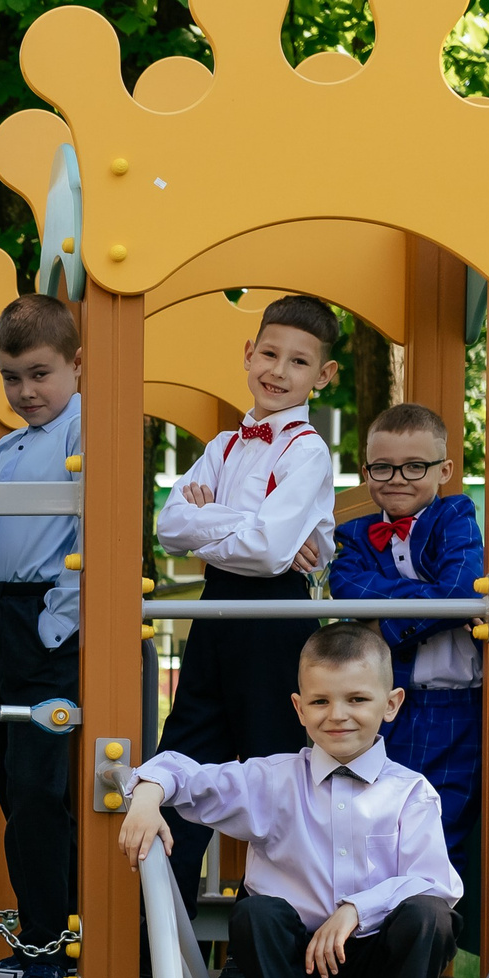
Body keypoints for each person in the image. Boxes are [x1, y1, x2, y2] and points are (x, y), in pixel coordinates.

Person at [117, 622, 460, 978]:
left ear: (391, 704)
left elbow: (437, 883)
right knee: (255, 914)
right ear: (299, 708)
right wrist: (147, 796)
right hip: (294, 970)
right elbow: (184, 771)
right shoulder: (271, 779)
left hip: (380, 971)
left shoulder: (410, 792)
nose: (338, 716)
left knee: (431, 914)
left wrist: (355, 909)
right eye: (320, 702)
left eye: (357, 700)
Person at [149, 293, 343, 910]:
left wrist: (221, 523)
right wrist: (249, 525)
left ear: (323, 375)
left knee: (278, 778)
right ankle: (159, 947)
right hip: (215, 618)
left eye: (298, 362)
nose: (278, 371)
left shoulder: (308, 451)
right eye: (269, 353)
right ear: (247, 353)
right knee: (182, 764)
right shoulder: (222, 447)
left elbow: (265, 554)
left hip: (275, 623)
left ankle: (270, 945)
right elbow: (169, 526)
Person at [0, 293, 84, 978]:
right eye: (12, 379)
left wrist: (54, 626)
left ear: (76, 363)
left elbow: (90, 540)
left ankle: (54, 951)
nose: (26, 392)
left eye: (40, 374)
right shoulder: (7, 446)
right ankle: (38, 936)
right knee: (12, 782)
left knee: (44, 787)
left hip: (47, 620)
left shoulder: (89, 436)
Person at [328, 403, 484, 865]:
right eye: (383, 467)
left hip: (454, 706)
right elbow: (348, 589)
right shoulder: (355, 534)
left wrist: (384, 625)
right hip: (383, 708)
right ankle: (373, 929)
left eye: (415, 466)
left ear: (444, 470)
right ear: (366, 471)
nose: (397, 477)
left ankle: (429, 930)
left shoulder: (455, 515)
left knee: (439, 827)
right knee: (371, 825)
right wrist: (434, 604)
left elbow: (460, 587)